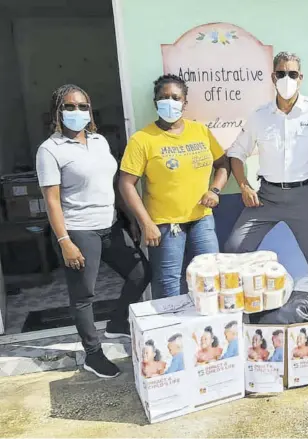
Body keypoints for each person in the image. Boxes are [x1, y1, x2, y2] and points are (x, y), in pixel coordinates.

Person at [37, 84, 151, 379]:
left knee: (140, 273)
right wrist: (64, 241)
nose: (77, 112)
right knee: (83, 295)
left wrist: (131, 219)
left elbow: (111, 184)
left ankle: (117, 324)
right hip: (78, 231)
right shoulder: (50, 150)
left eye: (83, 106)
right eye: (70, 107)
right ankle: (93, 354)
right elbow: (51, 201)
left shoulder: (99, 141)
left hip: (110, 225)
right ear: (58, 112)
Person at [225, 52, 308, 274]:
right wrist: (244, 186)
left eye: (292, 73)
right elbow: (236, 153)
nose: (287, 78)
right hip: (267, 197)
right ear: (273, 77)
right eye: (281, 73)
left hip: (306, 197)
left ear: (300, 78)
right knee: (235, 248)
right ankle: (247, 302)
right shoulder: (259, 116)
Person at [119, 74, 230, 299]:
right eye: (164, 97)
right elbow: (126, 184)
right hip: (164, 225)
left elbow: (222, 164)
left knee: (211, 278)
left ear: (185, 102)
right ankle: (171, 331)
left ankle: (209, 329)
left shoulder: (200, 131)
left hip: (202, 219)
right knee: (169, 284)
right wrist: (145, 223)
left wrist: (215, 190)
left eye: (175, 97)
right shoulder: (143, 139)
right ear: (155, 103)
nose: (170, 102)